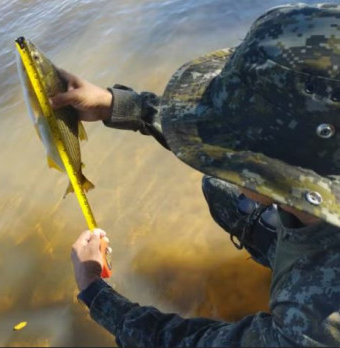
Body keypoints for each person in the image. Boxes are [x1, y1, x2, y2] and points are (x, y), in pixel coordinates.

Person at [51, 3, 340, 347]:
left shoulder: (315, 317)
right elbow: (218, 133)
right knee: (221, 190)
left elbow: (193, 343)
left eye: (241, 155)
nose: (228, 159)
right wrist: (121, 106)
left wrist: (95, 293)